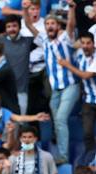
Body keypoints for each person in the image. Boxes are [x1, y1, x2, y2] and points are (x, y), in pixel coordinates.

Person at [23, 2, 81, 163]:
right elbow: (28, 24)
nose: (49, 26)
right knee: (57, 120)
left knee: (61, 119)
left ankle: (63, 156)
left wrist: (71, 8)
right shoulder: (44, 39)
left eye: (52, 23)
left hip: (70, 85)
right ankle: (61, 153)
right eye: (47, 23)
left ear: (57, 26)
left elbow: (71, 24)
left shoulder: (65, 37)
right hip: (56, 89)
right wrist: (25, 8)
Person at [56, 32, 96, 154]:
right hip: (88, 101)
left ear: (94, 44)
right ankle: (91, 158)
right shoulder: (79, 54)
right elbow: (69, 45)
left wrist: (67, 65)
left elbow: (85, 75)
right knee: (87, 133)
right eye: (83, 43)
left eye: (88, 43)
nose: (85, 46)